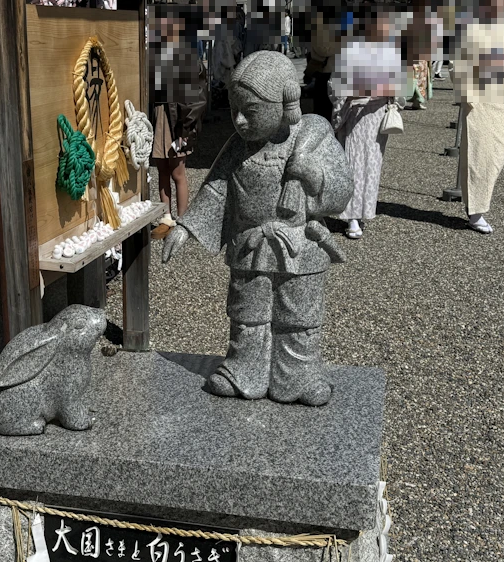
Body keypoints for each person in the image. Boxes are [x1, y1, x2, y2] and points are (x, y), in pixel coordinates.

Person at [161, 51, 353, 405]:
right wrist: (185, 227)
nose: (238, 121)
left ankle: (298, 377)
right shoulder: (238, 146)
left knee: (298, 317)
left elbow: (341, 189)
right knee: (247, 315)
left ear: (282, 104)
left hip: (298, 242)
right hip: (249, 245)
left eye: (249, 112)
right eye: (235, 109)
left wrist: (312, 174)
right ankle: (243, 370)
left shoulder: (311, 137)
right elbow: (217, 188)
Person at [454, 0, 504, 233]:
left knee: (497, 155)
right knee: (481, 156)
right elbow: (459, 64)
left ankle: (476, 206)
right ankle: (476, 211)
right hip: (481, 101)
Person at [330, 13, 406, 238]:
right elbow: (335, 84)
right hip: (355, 113)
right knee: (353, 163)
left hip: (377, 115)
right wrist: (353, 92)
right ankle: (351, 216)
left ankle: (363, 212)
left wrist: (390, 91)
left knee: (372, 165)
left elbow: (401, 89)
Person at [150, 12, 208, 240]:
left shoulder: (189, 60)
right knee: (161, 169)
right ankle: (166, 217)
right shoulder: (155, 57)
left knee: (178, 171)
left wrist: (186, 131)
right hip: (159, 116)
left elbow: (198, 101)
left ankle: (183, 219)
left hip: (178, 120)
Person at [305, 13, 342, 121]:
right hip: (325, 72)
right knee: (324, 108)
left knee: (333, 107)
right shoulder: (320, 27)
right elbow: (323, 49)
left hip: (334, 71)